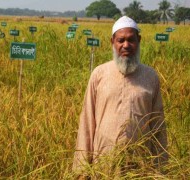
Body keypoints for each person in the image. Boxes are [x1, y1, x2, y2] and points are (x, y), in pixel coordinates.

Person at [72, 16, 168, 177]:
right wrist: (81, 170)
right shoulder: (99, 74)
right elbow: (87, 123)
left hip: (140, 164)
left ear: (139, 40)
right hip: (103, 163)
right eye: (120, 40)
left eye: (131, 40)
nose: (126, 45)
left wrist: (160, 170)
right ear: (112, 42)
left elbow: (158, 126)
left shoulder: (151, 77)